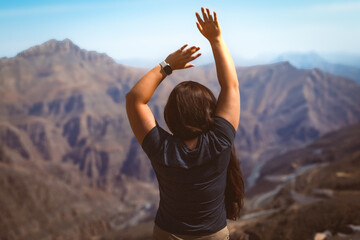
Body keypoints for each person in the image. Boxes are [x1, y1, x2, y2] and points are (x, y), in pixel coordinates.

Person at [126, 7, 244, 240]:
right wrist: (216, 39)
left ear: (170, 116)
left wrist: (166, 65)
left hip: (167, 235)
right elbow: (230, 86)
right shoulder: (220, 141)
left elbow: (135, 100)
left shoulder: (161, 148)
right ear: (210, 113)